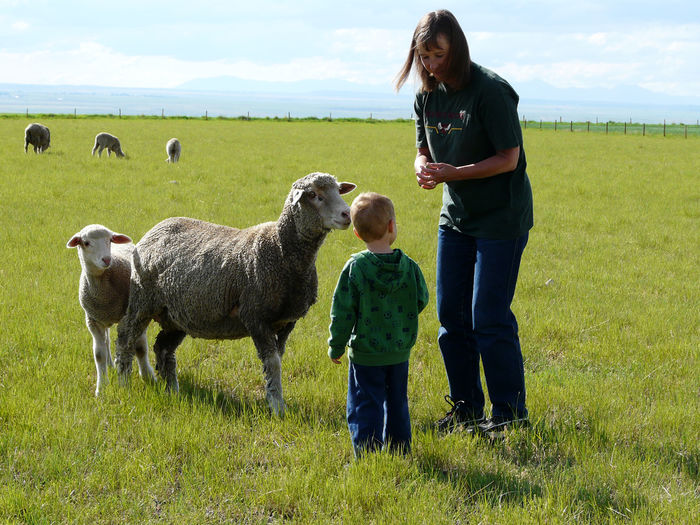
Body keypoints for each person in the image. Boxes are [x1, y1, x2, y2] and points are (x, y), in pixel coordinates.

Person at [395, 10, 533, 435]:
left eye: (439, 55)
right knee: (451, 317)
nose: (432, 65)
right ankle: (467, 408)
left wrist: (452, 172)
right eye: (424, 56)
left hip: (501, 219)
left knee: (487, 316)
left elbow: (508, 158)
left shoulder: (490, 92)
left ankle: (509, 415)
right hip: (455, 219)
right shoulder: (427, 97)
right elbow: (423, 148)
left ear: (457, 49)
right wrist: (422, 166)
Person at [328, 192, 429, 456]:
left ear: (357, 235)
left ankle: (368, 453)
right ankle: (399, 450)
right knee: (398, 402)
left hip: (366, 354)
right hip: (399, 350)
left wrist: (335, 346)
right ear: (392, 227)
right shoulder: (409, 266)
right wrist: (399, 319)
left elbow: (342, 312)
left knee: (366, 402)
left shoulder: (355, 268)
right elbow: (421, 299)